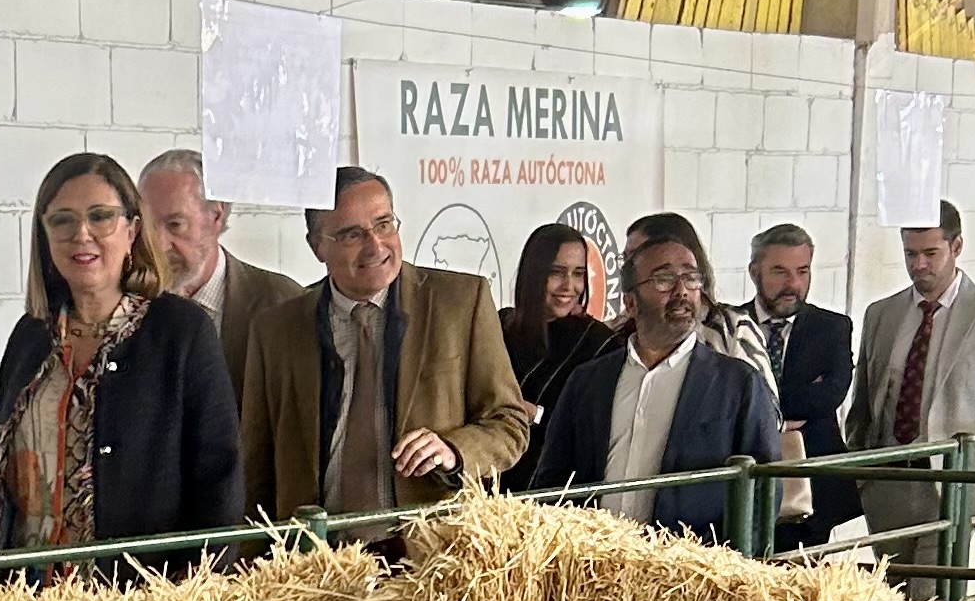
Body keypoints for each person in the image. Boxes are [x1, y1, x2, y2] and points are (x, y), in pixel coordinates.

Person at [0, 150, 244, 572]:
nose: (82, 234)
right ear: (44, 236)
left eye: (100, 216)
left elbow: (218, 483)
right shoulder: (31, 336)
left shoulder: (180, 331)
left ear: (132, 230)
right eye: (63, 220)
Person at [242, 166, 530, 526]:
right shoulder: (276, 330)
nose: (375, 246)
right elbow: (255, 467)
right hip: (314, 560)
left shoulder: (461, 302)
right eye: (351, 235)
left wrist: (454, 451)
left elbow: (510, 422)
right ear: (317, 246)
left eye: (384, 225)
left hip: (430, 554)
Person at [526, 215, 782, 539]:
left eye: (691, 279)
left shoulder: (739, 385)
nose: (682, 292)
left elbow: (761, 497)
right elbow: (551, 485)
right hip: (593, 569)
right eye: (663, 279)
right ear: (630, 302)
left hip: (689, 577)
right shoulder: (588, 381)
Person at [846, 204, 975, 597]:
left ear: (957, 246)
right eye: (910, 254)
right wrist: (862, 471)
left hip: (950, 486)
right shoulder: (881, 314)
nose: (919, 265)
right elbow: (862, 401)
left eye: (930, 253)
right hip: (889, 482)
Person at [710, 224, 854, 546]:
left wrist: (761, 411)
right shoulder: (728, 328)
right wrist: (788, 411)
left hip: (813, 491)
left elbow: (829, 395)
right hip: (744, 484)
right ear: (754, 271)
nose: (793, 284)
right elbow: (725, 402)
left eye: (802, 271)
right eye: (780, 272)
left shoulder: (832, 327)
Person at [136, 146, 299, 415]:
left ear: (216, 215)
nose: (160, 244)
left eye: (175, 225)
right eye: (149, 227)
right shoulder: (130, 305)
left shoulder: (282, 303)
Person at [499, 219, 619, 449]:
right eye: (556, 273)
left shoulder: (600, 344)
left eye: (578, 274)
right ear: (533, 274)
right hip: (485, 472)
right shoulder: (499, 326)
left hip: (555, 479)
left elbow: (597, 429)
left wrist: (536, 414)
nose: (569, 286)